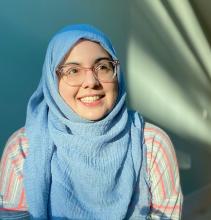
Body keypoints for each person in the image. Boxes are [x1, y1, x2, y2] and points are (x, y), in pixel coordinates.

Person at [0, 24, 183, 219]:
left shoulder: (152, 144)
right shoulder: (24, 148)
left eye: (103, 67)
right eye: (73, 71)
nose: (91, 82)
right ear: (52, 82)